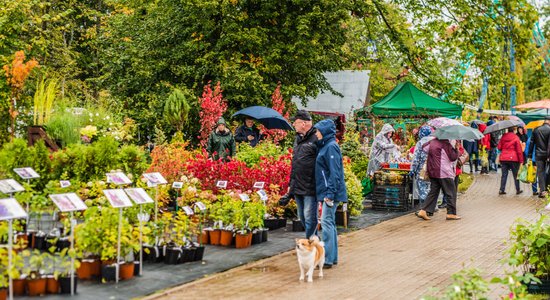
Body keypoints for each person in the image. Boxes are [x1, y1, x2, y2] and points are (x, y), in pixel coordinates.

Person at [279, 110, 318, 239]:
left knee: (309, 217)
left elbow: (322, 163)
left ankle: (312, 244)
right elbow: (295, 164)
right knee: (302, 217)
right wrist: (291, 184)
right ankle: (314, 241)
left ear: (303, 123)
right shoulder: (298, 139)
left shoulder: (316, 138)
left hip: (310, 186)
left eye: (295, 122)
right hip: (298, 185)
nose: (293, 125)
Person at [313, 119, 347, 269]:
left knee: (327, 223)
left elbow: (334, 173)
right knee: (329, 223)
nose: (316, 133)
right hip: (329, 191)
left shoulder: (330, 147)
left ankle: (327, 258)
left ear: (325, 131)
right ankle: (331, 257)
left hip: (331, 193)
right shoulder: (326, 146)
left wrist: (330, 194)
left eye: (318, 130)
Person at [415, 137, 460, 221]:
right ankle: (451, 213)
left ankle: (423, 210)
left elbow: (424, 148)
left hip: (432, 170)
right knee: (451, 192)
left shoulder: (432, 142)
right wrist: (456, 149)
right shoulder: (446, 144)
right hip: (444, 172)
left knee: (433, 192)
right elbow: (453, 157)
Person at [410, 126, 434, 205]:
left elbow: (416, 159)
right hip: (433, 169)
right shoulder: (435, 141)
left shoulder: (420, 142)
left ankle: (424, 209)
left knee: (422, 189)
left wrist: (412, 170)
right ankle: (432, 207)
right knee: (431, 189)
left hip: (421, 170)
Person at [528, 116, 550, 198]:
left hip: (538, 154)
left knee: (540, 172)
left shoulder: (536, 129)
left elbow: (531, 143)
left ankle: (542, 191)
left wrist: (529, 155)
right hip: (548, 155)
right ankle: (548, 190)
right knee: (548, 173)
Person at [498, 128, 524, 195]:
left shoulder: (503, 137)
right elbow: (519, 150)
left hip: (503, 158)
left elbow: (499, 147)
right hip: (513, 159)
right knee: (515, 175)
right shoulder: (516, 137)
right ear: (514, 130)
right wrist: (521, 160)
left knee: (504, 175)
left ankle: (501, 189)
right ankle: (518, 190)